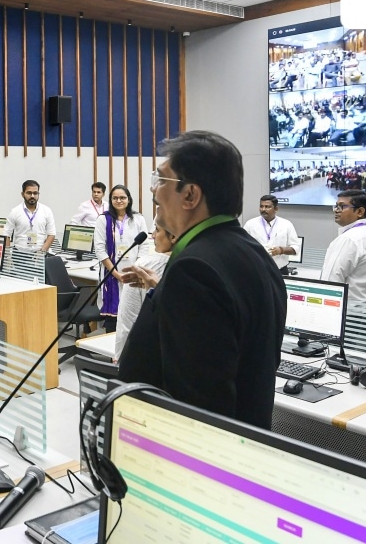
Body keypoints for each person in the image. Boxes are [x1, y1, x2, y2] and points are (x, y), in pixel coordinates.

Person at [118, 131, 285, 429]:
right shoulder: (253, 253)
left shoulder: (193, 269)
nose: (155, 192)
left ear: (191, 195)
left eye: (162, 181)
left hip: (195, 460)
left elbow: (196, 405)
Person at [113, 217, 173, 360]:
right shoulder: (197, 263)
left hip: (144, 356)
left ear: (174, 236)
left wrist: (120, 357)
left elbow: (127, 320)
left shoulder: (146, 266)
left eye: (157, 230)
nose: (152, 235)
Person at [93, 184, 148, 332]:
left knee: (132, 316)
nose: (119, 200)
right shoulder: (103, 220)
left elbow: (144, 246)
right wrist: (117, 274)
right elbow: (100, 250)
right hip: (111, 275)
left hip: (134, 274)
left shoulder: (138, 219)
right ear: (110, 200)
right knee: (113, 319)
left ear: (129, 200)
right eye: (115, 198)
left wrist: (135, 270)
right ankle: (113, 354)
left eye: (122, 197)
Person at [320, 190, 366, 302]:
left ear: (360, 212)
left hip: (349, 313)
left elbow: (330, 284)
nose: (336, 210)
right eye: (336, 206)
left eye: (342, 206)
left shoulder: (349, 239)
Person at [243, 194, 301, 273]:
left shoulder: (286, 225)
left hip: (279, 270)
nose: (263, 209)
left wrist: (281, 250)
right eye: (261, 206)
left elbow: (295, 248)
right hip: (256, 270)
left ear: (276, 209)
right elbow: (242, 246)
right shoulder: (250, 224)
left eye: (267, 207)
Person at [4, 179, 56, 252]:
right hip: (20, 254)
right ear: (22, 194)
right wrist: (7, 256)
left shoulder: (47, 211)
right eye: (29, 193)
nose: (32, 196)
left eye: (35, 193)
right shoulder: (15, 212)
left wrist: (42, 251)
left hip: (40, 254)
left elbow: (51, 234)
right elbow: (6, 234)